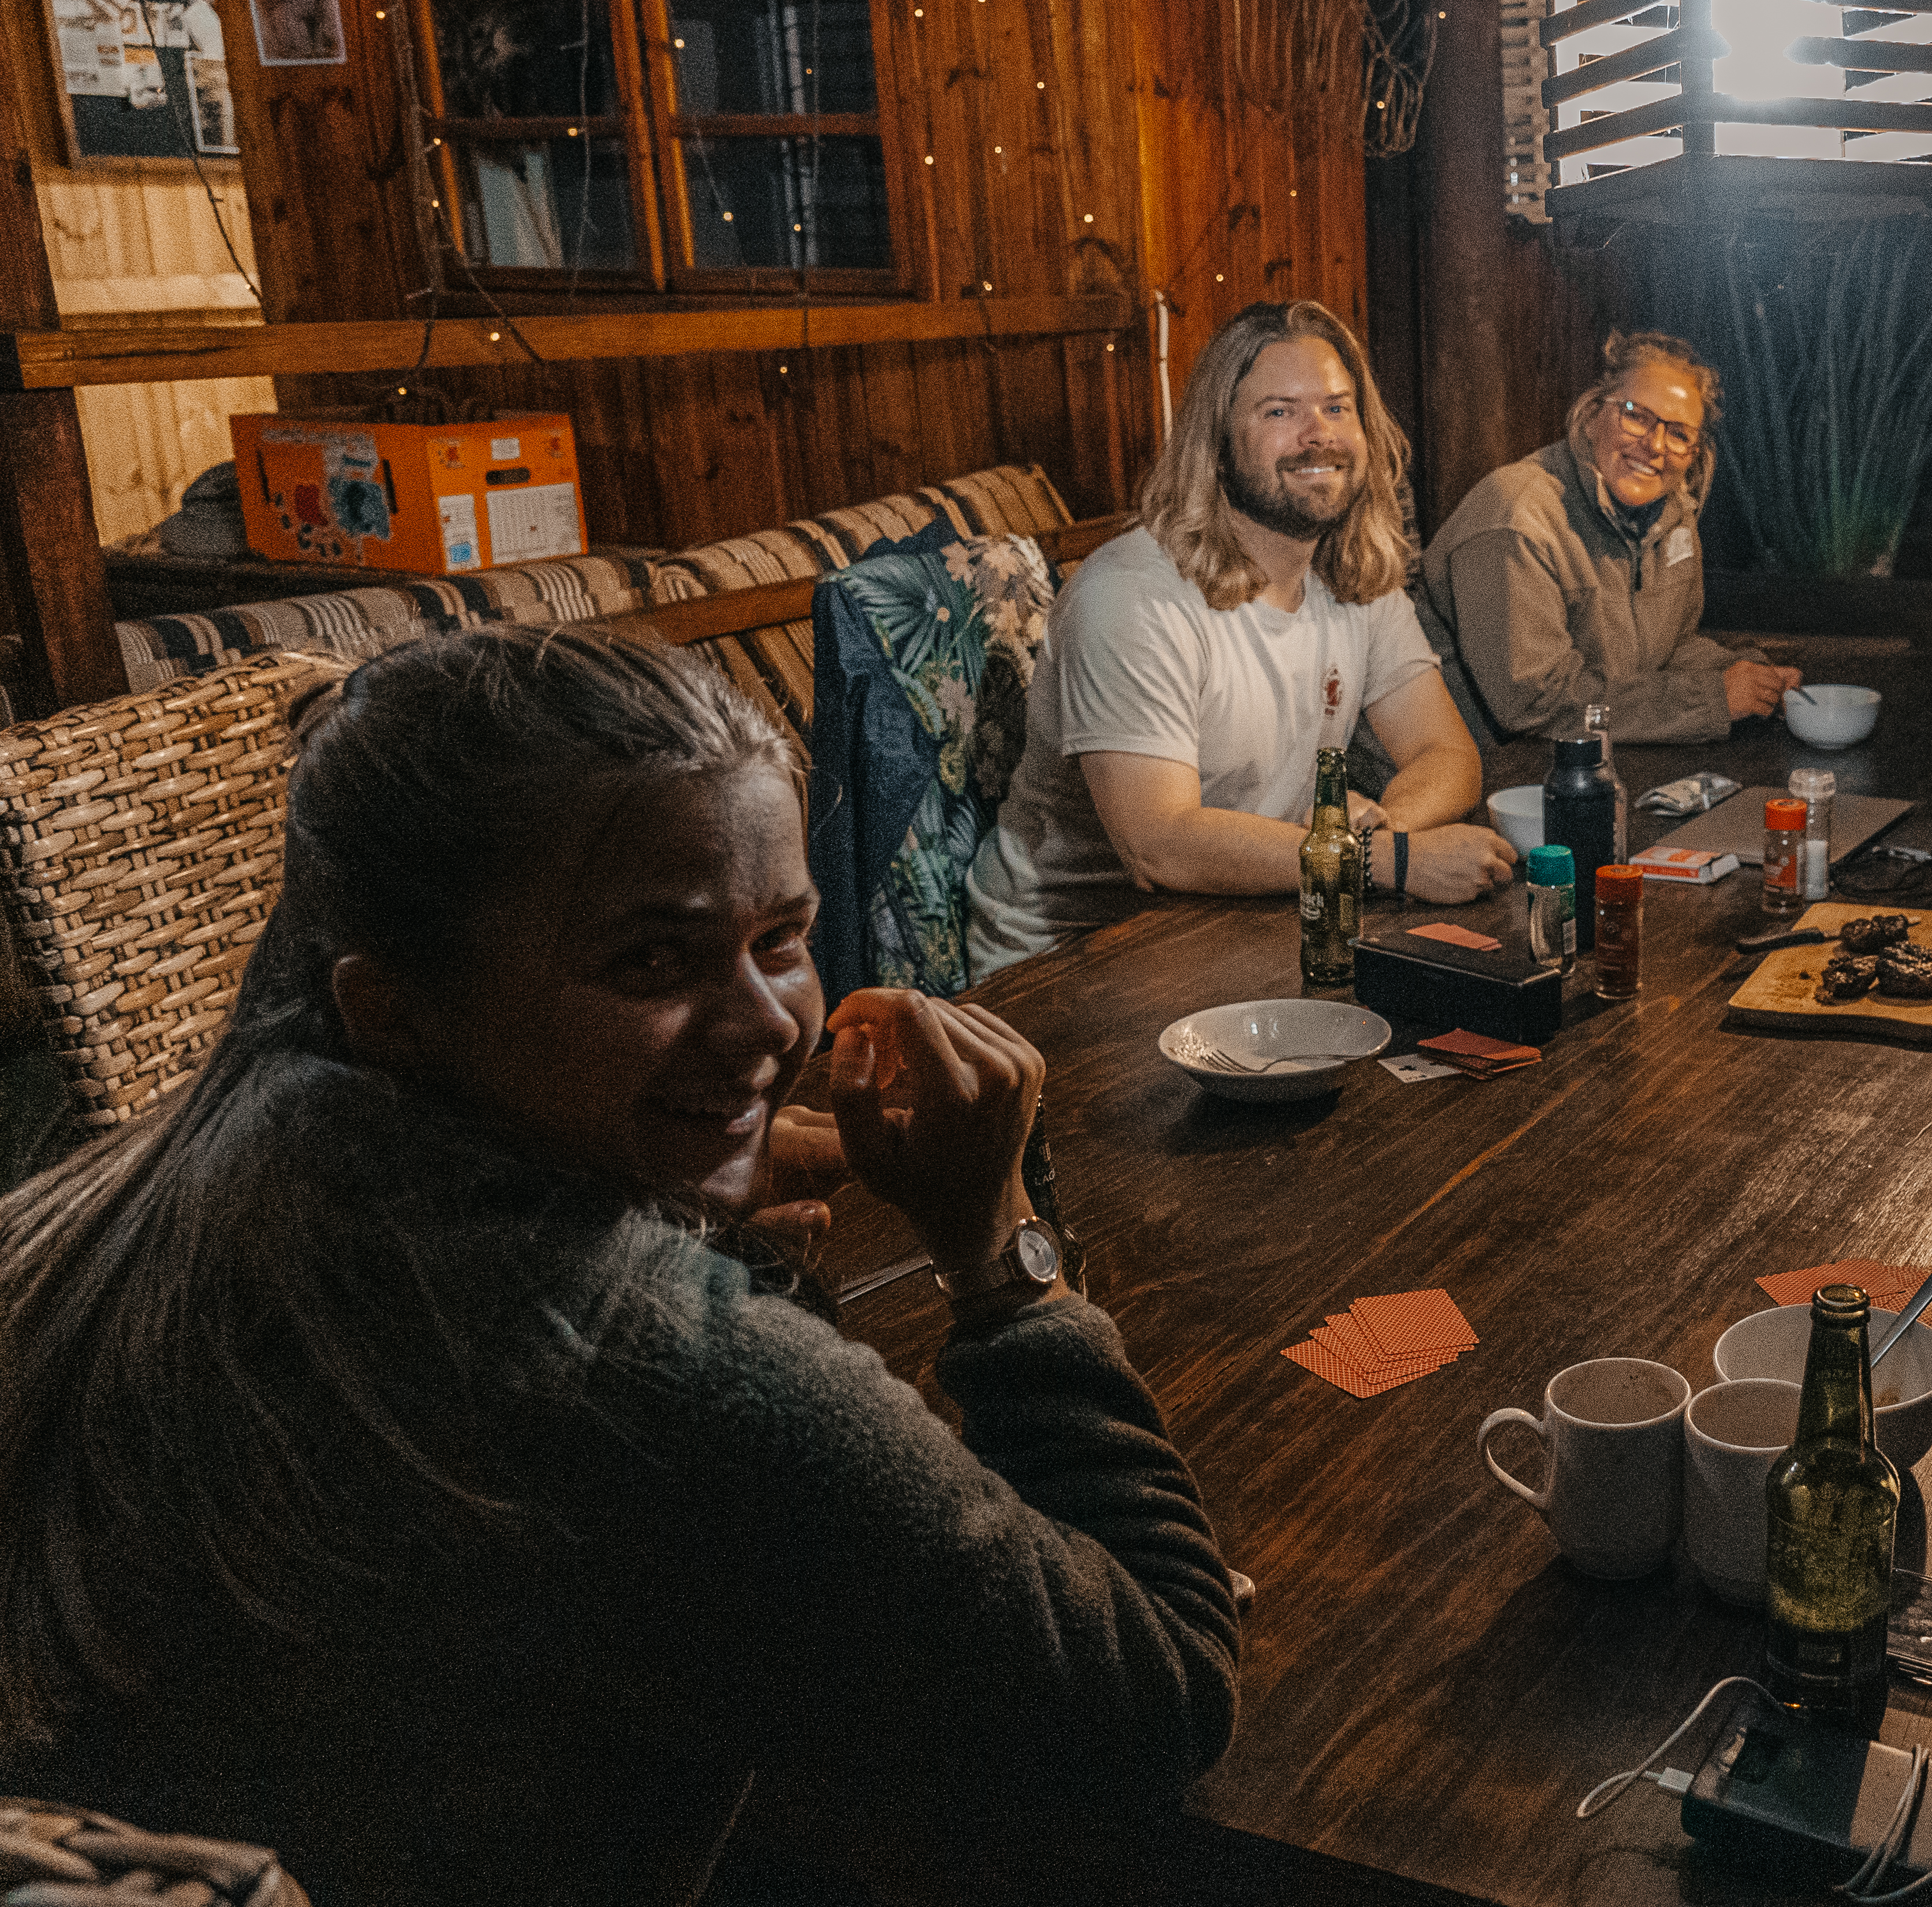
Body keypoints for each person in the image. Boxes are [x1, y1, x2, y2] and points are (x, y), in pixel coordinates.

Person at [0, 626, 1240, 1906]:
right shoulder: (626, 1363)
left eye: (783, 937)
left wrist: (663, 1200)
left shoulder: (136, 1206)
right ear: (399, 1012)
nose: (768, 1025)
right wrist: (996, 1246)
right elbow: (1159, 1690)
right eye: (650, 959)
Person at [967, 299, 1515, 977]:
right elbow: (1160, 845)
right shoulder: (1133, 596)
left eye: (1338, 408)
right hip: (1069, 957)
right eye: (1280, 412)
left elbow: (1447, 754)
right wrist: (1388, 862)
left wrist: (1374, 833)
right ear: (1219, 447)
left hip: (1248, 915)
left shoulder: (1354, 573)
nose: (1319, 435)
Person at [1417, 330, 1800, 746]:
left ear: (1694, 455)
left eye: (1679, 434)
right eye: (1636, 416)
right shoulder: (1519, 517)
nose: (1655, 445)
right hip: (1466, 764)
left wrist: (1749, 677)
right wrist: (1712, 699)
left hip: (1580, 757)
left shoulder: (1673, 517)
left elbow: (1666, 653)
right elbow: (1537, 704)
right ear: (1592, 414)